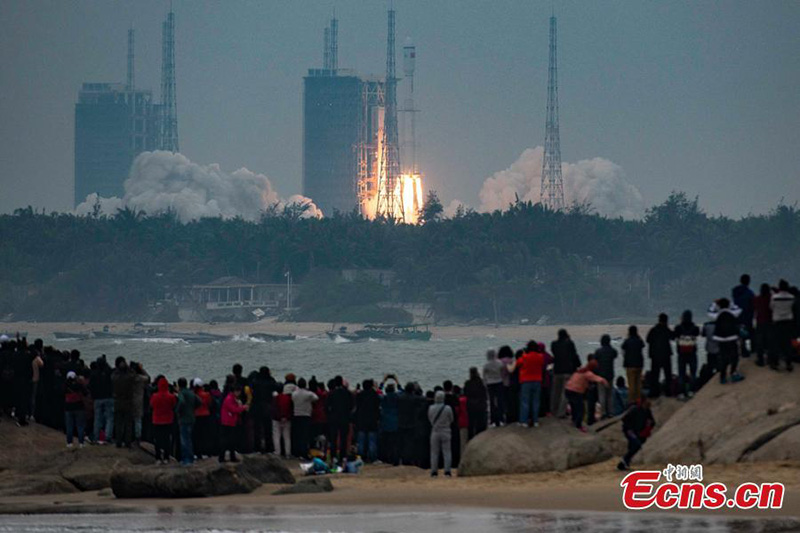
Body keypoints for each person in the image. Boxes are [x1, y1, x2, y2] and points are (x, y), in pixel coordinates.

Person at [507, 341, 545, 427]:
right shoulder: (540, 356)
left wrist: (524, 354)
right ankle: (535, 421)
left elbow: (517, 364)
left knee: (525, 402)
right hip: (537, 380)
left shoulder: (524, 357)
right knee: (536, 401)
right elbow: (542, 364)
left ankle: (524, 421)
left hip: (526, 381)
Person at [564, 360, 608, 432]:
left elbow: (581, 381)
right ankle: (579, 425)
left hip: (568, 389)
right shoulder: (588, 373)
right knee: (581, 409)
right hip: (576, 391)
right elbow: (596, 378)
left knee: (574, 406)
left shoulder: (580, 371)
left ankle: (574, 420)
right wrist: (604, 381)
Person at [709, 298, 744, 383]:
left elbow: (709, 312)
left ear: (719, 306)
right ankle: (733, 373)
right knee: (734, 356)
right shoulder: (733, 313)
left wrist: (714, 304)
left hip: (721, 339)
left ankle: (723, 377)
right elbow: (739, 309)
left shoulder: (717, 315)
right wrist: (731, 302)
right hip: (732, 337)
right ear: (728, 305)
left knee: (723, 358)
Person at [617, 397, 655, 471]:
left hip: (640, 432)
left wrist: (649, 426)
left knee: (633, 446)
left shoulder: (647, 410)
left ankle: (625, 463)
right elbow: (625, 419)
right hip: (630, 430)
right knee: (636, 445)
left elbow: (652, 421)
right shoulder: (634, 409)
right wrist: (629, 429)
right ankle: (624, 461)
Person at [550, 329, 581, 418]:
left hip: (557, 370)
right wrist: (577, 365)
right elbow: (574, 355)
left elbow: (555, 354)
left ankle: (553, 410)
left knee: (555, 392)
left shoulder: (554, 344)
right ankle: (561, 412)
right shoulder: (570, 343)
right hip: (568, 371)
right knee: (565, 393)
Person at [646, 314, 675, 397]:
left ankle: (654, 392)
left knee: (655, 375)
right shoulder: (666, 329)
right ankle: (668, 392)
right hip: (666, 355)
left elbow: (648, 340)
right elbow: (673, 337)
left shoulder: (653, 330)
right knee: (668, 374)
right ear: (666, 321)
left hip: (655, 355)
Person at [149, 377, 177, 464]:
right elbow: (174, 405)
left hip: (157, 420)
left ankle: (158, 457)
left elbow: (151, 405)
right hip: (168, 420)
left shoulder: (154, 396)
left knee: (157, 439)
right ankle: (166, 457)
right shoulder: (171, 396)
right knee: (167, 439)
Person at [219, 382, 249, 462]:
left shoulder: (233, 398)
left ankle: (231, 457)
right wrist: (243, 407)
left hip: (230, 421)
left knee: (231, 440)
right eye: (238, 391)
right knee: (227, 440)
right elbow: (234, 409)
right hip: (227, 422)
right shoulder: (229, 399)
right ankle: (223, 457)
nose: (239, 393)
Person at [770, 280, 796, 372]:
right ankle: (789, 363)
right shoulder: (792, 297)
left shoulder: (774, 297)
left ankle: (775, 363)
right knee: (788, 343)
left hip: (777, 321)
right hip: (788, 321)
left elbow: (771, 307)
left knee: (776, 343)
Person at [327, 375, 354, 462]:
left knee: (333, 438)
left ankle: (333, 456)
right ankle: (343, 456)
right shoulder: (347, 393)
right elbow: (352, 405)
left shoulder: (332, 393)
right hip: (344, 418)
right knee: (343, 438)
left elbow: (327, 406)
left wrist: (330, 415)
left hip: (334, 418)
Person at [674, 310, 700, 397]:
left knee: (681, 373)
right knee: (693, 373)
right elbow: (697, 334)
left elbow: (675, 336)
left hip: (681, 353)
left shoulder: (678, 328)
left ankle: (681, 392)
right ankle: (691, 390)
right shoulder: (695, 328)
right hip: (692, 352)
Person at [250, 366, 276, 454]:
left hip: (256, 406)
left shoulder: (255, 381)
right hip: (267, 406)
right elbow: (275, 387)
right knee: (268, 428)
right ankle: (269, 447)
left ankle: (257, 447)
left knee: (257, 429)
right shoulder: (270, 381)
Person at [428, 390, 454, 477]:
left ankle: (434, 471)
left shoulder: (431, 408)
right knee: (447, 452)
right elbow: (451, 419)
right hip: (446, 430)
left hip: (435, 431)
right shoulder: (447, 408)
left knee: (434, 452)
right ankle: (447, 471)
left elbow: (429, 418)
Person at [291, 377, 318, 459]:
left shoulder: (294, 394)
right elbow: (316, 398)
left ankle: (297, 452)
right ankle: (304, 452)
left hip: (296, 415)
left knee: (297, 435)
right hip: (306, 416)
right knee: (305, 436)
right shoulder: (308, 394)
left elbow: (292, 399)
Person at [111, 358, 136, 448]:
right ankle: (127, 442)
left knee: (118, 423)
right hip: (128, 401)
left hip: (117, 401)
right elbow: (134, 375)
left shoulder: (114, 376)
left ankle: (118, 442)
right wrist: (129, 368)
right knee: (128, 423)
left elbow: (112, 375)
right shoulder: (129, 376)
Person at [89, 356, 114, 444]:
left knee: (97, 418)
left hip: (97, 398)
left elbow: (91, 386)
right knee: (109, 418)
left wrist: (93, 396)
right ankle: (108, 437)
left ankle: (96, 437)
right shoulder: (108, 372)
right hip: (108, 397)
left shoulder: (93, 374)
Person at [176, 377, 200, 465]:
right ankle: (191, 457)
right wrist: (193, 408)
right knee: (189, 439)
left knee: (184, 440)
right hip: (192, 418)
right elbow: (199, 402)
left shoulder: (182, 393)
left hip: (184, 419)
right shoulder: (191, 392)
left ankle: (186, 459)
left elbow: (181, 401)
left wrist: (177, 411)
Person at [355, 379, 380, 463]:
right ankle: (372, 458)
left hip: (361, 420)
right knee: (372, 440)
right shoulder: (374, 395)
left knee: (361, 440)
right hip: (372, 420)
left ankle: (360, 457)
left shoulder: (360, 395)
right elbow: (377, 407)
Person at [593, 334, 617, 418]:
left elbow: (595, 361)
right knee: (609, 395)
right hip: (610, 374)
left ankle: (603, 412)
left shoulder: (598, 351)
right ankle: (610, 412)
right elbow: (615, 355)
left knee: (602, 394)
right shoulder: (612, 351)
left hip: (600, 375)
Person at [272, 375, 295, 457]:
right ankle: (288, 453)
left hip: (277, 419)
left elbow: (274, 408)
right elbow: (290, 408)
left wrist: (278, 417)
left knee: (276, 436)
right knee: (287, 437)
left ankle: (277, 452)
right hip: (287, 419)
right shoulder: (288, 398)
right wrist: (286, 417)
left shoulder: (275, 398)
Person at [732, 274, 755, 357]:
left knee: (740, 333)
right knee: (751, 333)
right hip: (747, 315)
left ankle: (742, 349)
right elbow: (752, 304)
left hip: (737, 315)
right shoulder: (750, 293)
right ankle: (752, 350)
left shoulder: (735, 291)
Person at [621, 326, 645, 405]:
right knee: (638, 384)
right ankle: (639, 400)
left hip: (630, 365)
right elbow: (643, 345)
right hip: (639, 364)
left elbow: (623, 348)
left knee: (631, 384)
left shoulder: (627, 341)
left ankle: (632, 401)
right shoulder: (639, 340)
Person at [64, 371, 87, 448]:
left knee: (69, 426)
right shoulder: (79, 385)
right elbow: (86, 393)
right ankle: (81, 443)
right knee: (80, 426)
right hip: (79, 407)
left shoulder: (65, 386)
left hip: (68, 407)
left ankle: (69, 443)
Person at [482, 350, 505, 427]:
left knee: (492, 402)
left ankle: (493, 421)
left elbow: (484, 376)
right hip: (499, 382)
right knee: (500, 401)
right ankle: (501, 419)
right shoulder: (500, 363)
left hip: (490, 384)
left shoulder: (486, 365)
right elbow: (503, 373)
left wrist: (485, 384)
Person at [463, 367, 487, 438]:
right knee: (481, 423)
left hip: (471, 405)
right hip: (481, 404)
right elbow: (484, 393)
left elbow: (465, 394)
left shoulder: (467, 383)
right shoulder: (481, 382)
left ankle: (471, 437)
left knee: (471, 423)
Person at [380, 382, 400, 465]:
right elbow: (404, 392)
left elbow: (376, 393)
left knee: (386, 443)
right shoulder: (397, 398)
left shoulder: (384, 398)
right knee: (395, 443)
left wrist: (382, 384)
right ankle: (395, 459)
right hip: (395, 422)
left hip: (385, 422)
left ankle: (386, 459)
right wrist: (398, 383)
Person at [753, 283, 773, 367]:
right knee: (770, 341)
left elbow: (754, 308)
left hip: (760, 321)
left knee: (759, 341)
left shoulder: (757, 299)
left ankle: (760, 359)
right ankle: (770, 359)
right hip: (770, 321)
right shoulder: (771, 298)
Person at [192, 378, 213, 459]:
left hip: (196, 416)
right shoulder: (207, 395)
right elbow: (210, 404)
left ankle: (197, 453)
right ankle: (207, 452)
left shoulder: (193, 395)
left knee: (197, 436)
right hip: (206, 415)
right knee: (206, 435)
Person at [130, 362, 150, 444]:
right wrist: (142, 369)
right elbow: (148, 378)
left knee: (129, 419)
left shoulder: (128, 378)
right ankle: (138, 437)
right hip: (138, 400)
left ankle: (129, 437)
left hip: (128, 399)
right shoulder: (140, 378)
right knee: (138, 419)